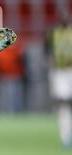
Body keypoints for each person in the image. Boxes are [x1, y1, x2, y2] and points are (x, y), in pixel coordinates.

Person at [46, 13, 72, 148]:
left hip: (68, 71)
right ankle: (66, 137)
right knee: (63, 104)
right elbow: (47, 50)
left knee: (64, 104)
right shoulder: (53, 34)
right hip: (60, 71)